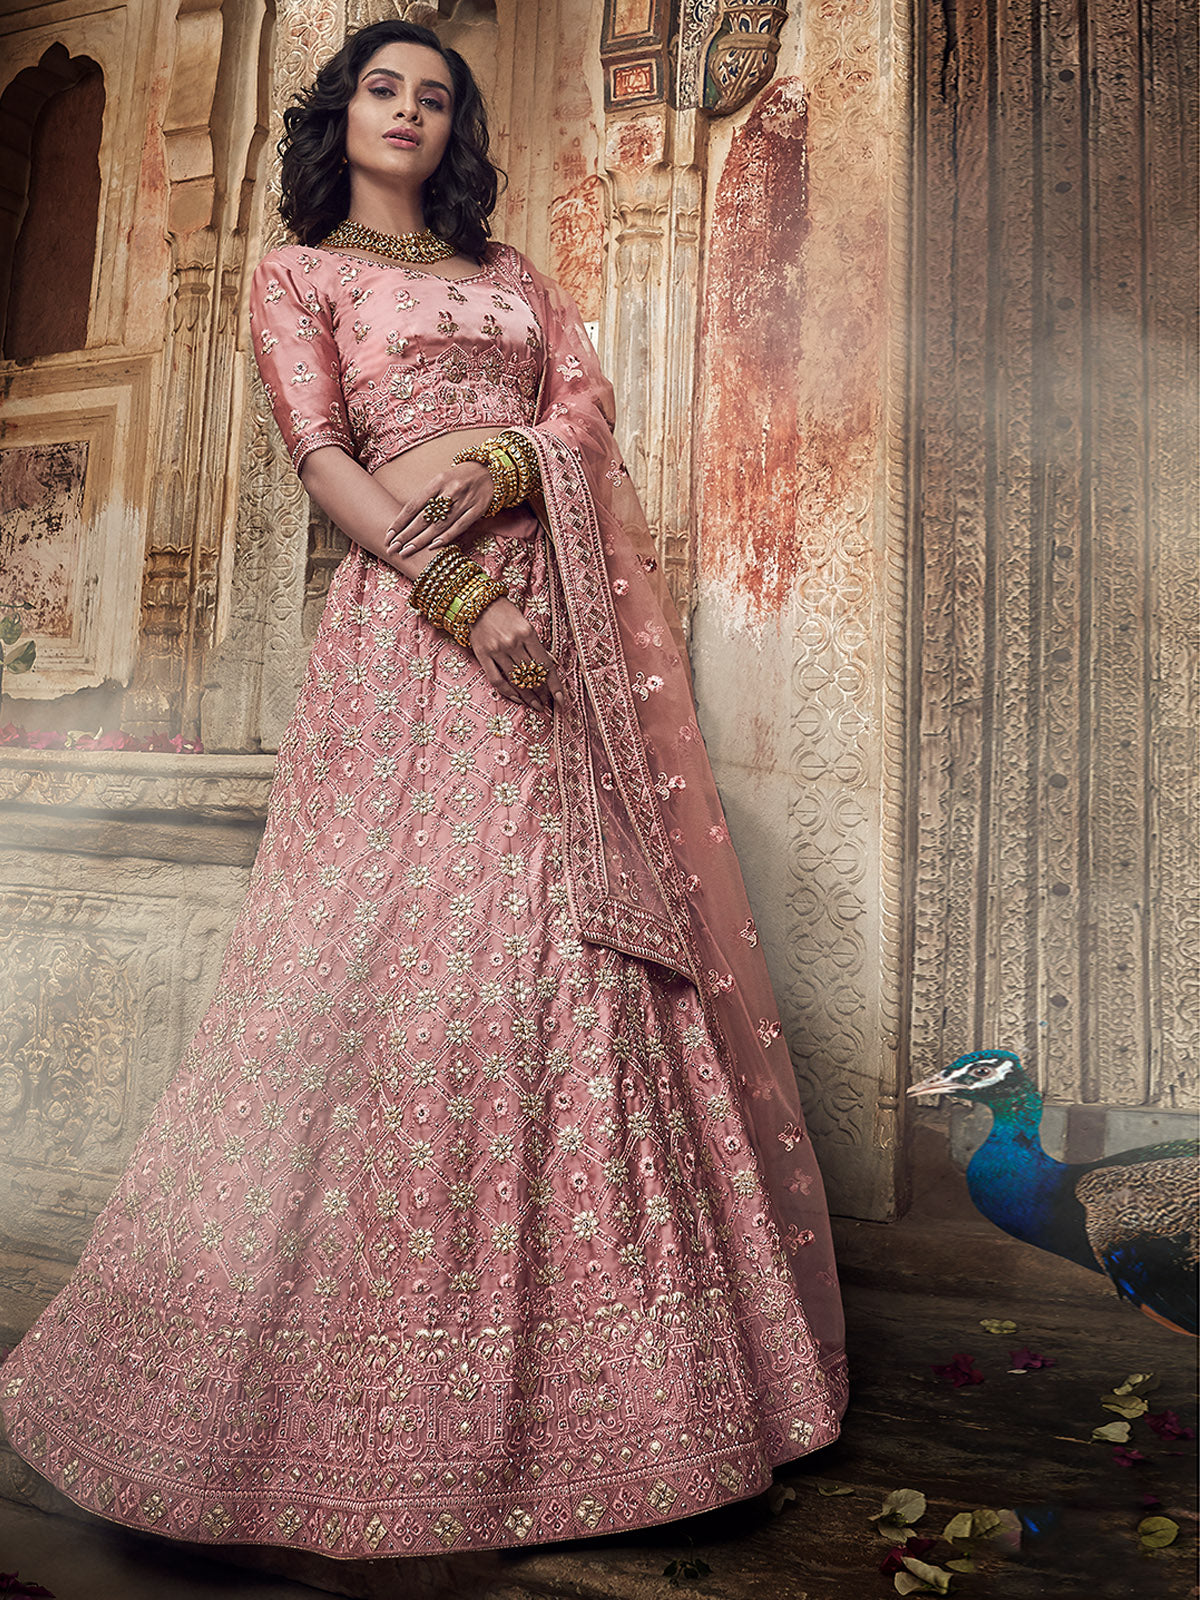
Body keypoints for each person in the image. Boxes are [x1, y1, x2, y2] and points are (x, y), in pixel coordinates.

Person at [0, 20, 847, 1560]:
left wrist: (521, 466)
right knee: (379, 960)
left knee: (562, 949)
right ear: (346, 117)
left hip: (557, 631)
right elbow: (322, 453)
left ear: (459, 131)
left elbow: (585, 410)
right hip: (415, 635)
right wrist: (461, 593)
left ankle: (625, 1400)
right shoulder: (295, 275)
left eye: (435, 95)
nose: (410, 109)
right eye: (384, 89)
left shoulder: (515, 276)